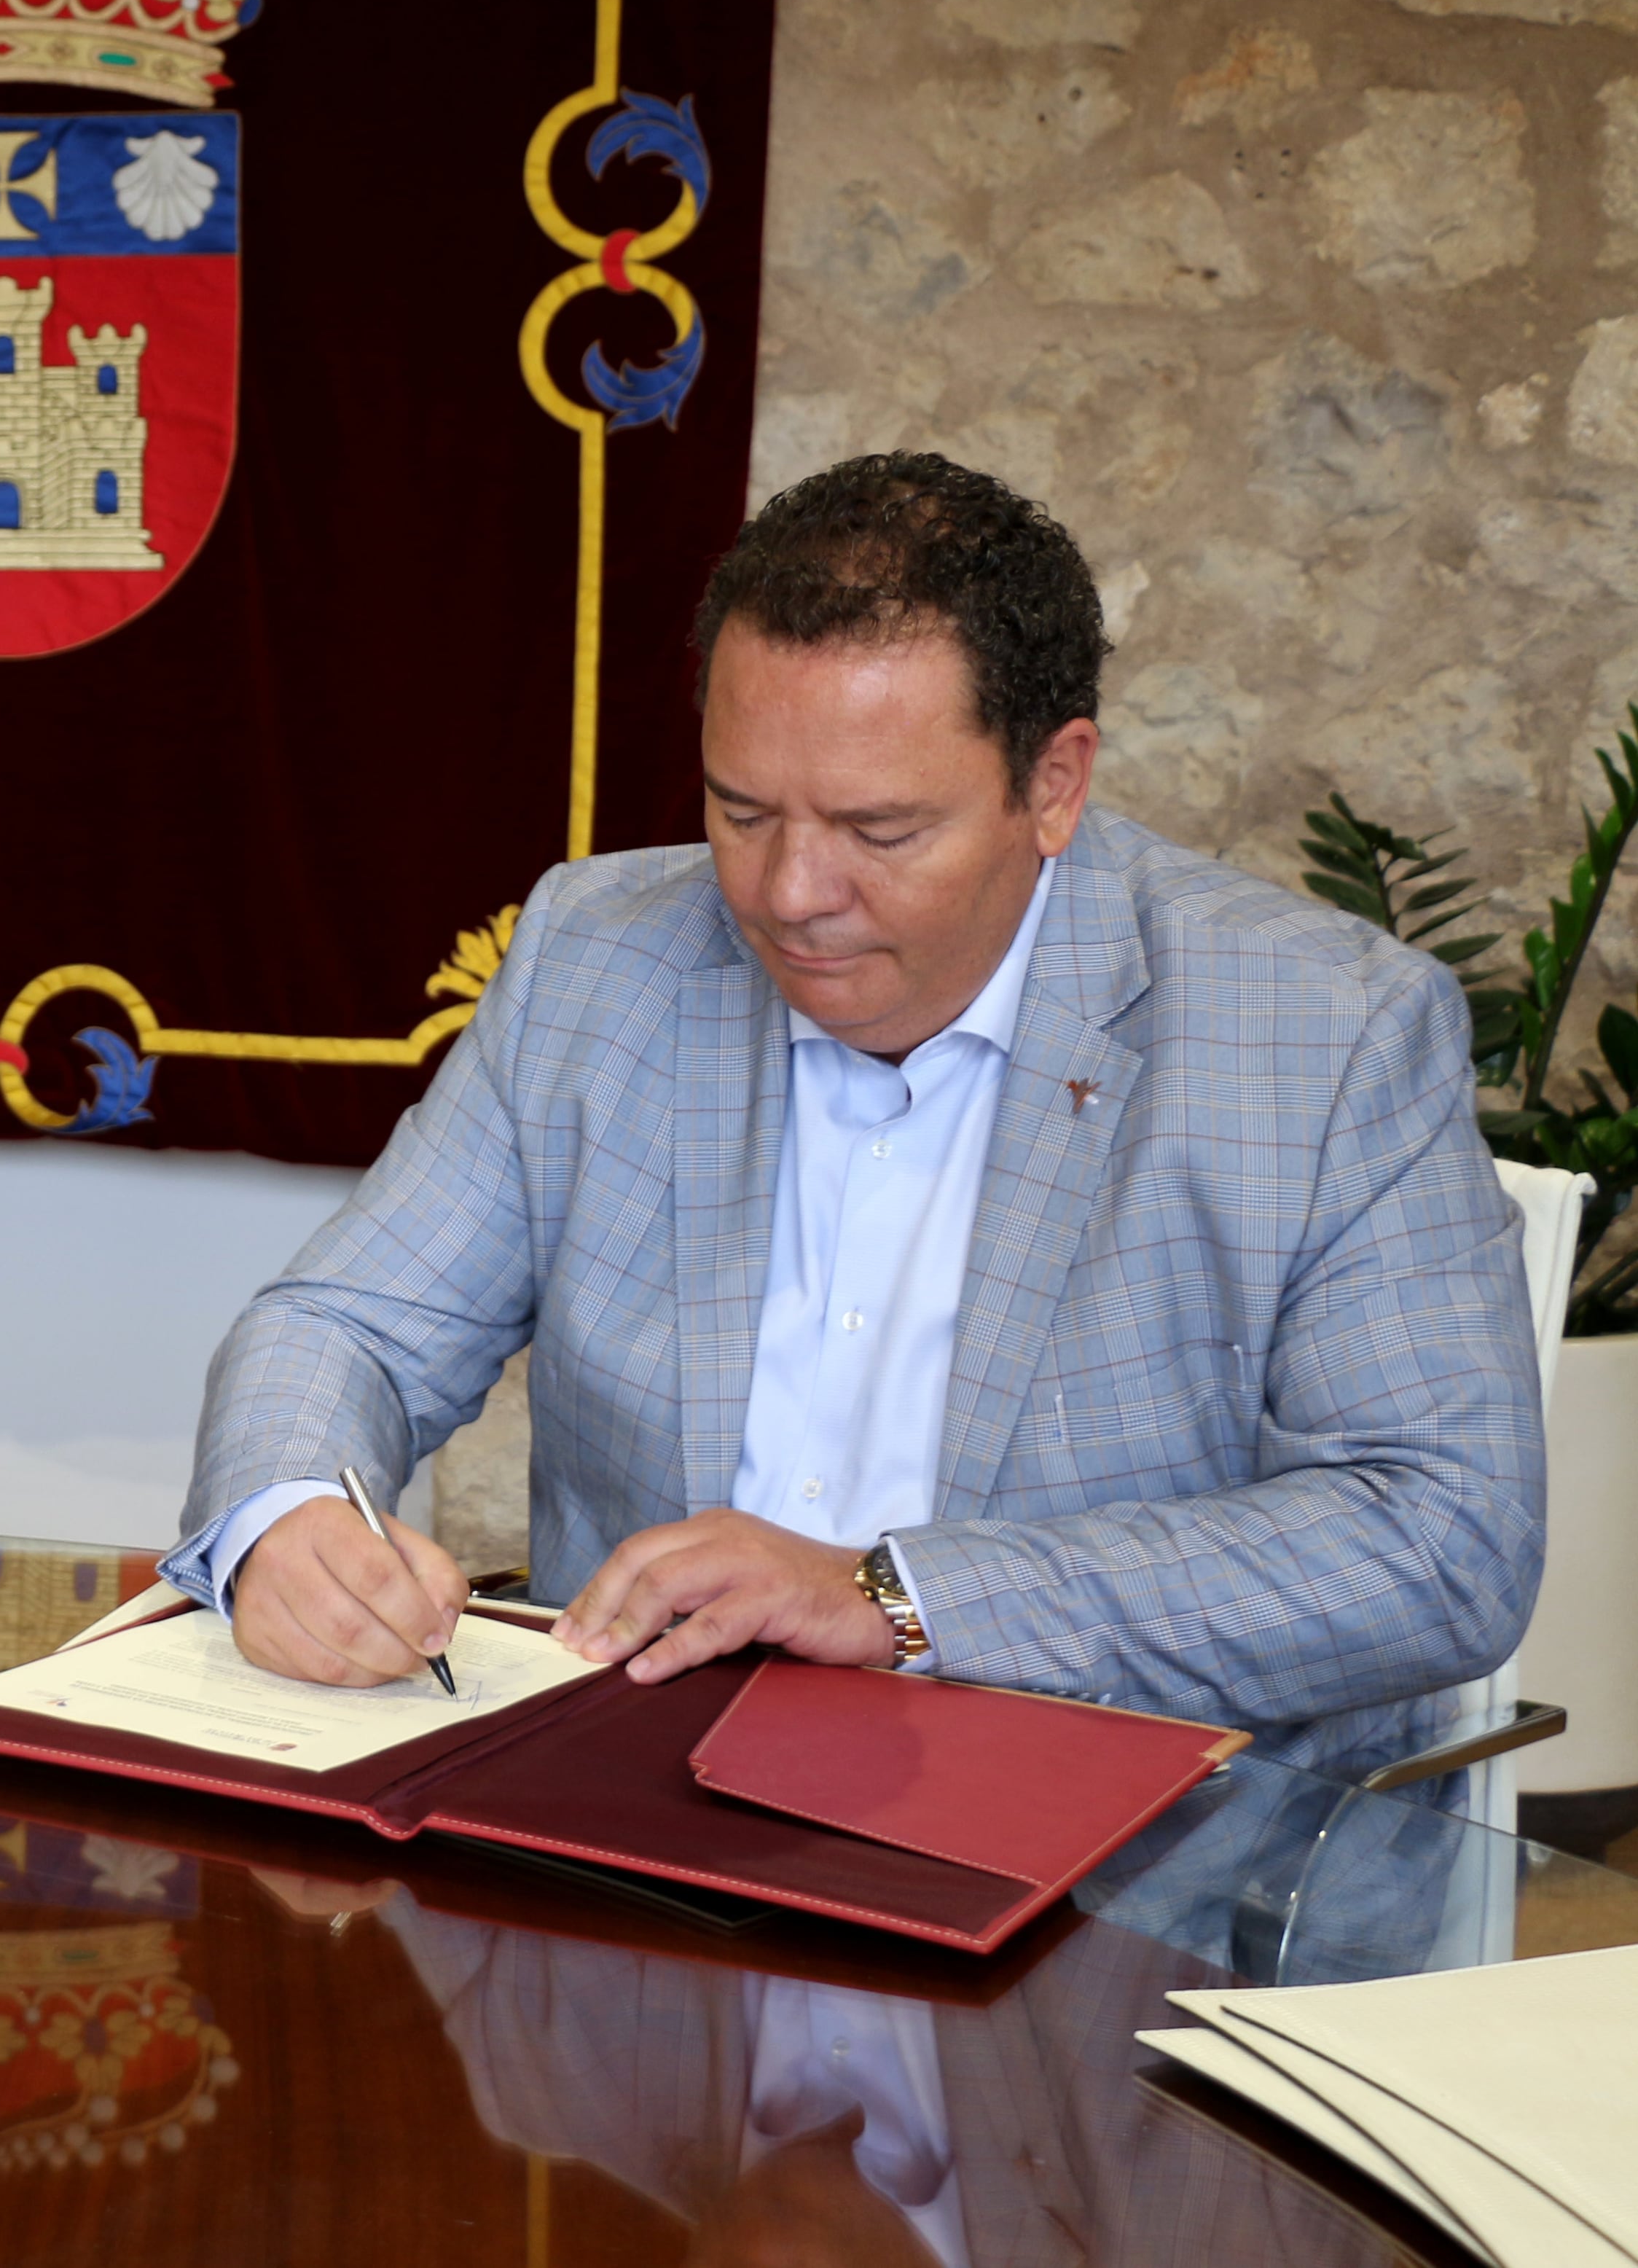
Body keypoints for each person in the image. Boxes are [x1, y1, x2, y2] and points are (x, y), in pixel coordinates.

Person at [168, 452, 1545, 1772]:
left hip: (1119, 1860)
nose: (789, 892)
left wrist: (899, 1599)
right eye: (741, 809)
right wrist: (290, 1513)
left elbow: (1436, 1539)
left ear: (1053, 784)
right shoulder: (602, 954)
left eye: (880, 830)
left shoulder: (1326, 1033)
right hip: (637, 1812)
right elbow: (345, 1322)